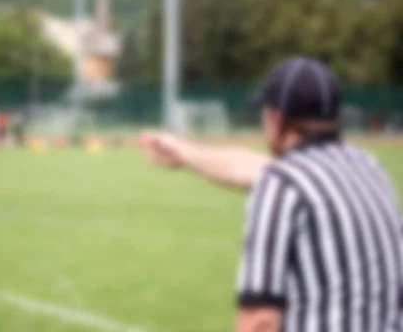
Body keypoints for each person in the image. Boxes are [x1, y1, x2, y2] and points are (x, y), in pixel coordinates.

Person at [141, 57, 403, 332]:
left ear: (276, 121)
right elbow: (257, 170)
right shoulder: (369, 169)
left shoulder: (281, 184)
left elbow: (260, 322)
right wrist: (184, 152)